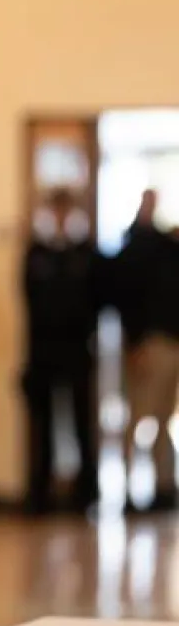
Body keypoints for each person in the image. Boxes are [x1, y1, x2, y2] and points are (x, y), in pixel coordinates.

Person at [19, 188, 104, 515]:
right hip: (42, 350)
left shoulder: (85, 253)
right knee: (43, 425)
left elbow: (96, 299)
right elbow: (28, 300)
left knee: (82, 422)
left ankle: (86, 494)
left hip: (77, 349)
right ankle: (40, 493)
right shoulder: (36, 253)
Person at [114, 190, 179, 511]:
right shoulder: (138, 249)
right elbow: (129, 297)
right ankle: (127, 490)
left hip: (170, 343)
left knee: (164, 419)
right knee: (139, 418)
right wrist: (135, 342)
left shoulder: (169, 249)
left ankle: (164, 487)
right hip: (149, 343)